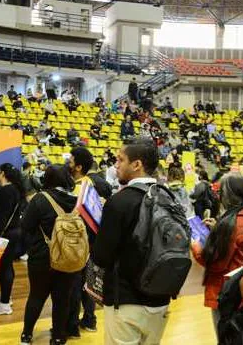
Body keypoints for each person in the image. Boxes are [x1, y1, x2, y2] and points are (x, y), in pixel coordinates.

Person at [92, 137, 170, 345]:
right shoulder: (167, 196)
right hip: (161, 299)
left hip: (126, 301)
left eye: (120, 160)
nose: (115, 165)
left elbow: (101, 256)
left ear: (136, 165)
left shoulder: (119, 202)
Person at [191, 173, 243, 336]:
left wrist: (195, 246)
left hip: (228, 294)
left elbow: (215, 263)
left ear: (227, 196)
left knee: (228, 337)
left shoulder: (229, 225)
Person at [20, 165, 82, 345]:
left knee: (37, 296)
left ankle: (27, 335)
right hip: (69, 257)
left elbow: (26, 226)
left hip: (42, 257)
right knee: (62, 299)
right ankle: (58, 337)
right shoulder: (76, 200)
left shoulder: (40, 199)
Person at [0, 163, 24, 316]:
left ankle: (5, 304)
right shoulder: (14, 190)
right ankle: (5, 296)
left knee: (5, 267)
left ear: (2, 174)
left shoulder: (7, 191)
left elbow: (2, 216)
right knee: (5, 266)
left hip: (5, 234)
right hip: (11, 232)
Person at [66, 147, 97, 336]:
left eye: (70, 160)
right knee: (88, 283)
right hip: (91, 243)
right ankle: (90, 319)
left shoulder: (77, 190)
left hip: (79, 244)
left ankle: (72, 325)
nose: (67, 163)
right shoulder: (89, 184)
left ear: (78, 167)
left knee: (75, 285)